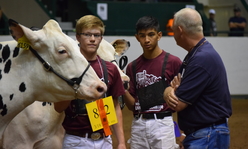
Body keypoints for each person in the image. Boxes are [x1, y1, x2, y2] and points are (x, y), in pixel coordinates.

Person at [54, 15, 126, 149]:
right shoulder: (68, 69)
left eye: (97, 35)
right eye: (87, 34)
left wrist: (121, 142)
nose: (92, 39)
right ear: (78, 37)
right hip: (76, 140)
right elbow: (58, 108)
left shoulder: (110, 69)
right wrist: (74, 87)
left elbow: (115, 106)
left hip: (105, 139)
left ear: (101, 39)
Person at [163, 8, 232, 149]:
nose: (173, 33)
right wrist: (171, 89)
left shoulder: (200, 59)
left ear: (180, 30)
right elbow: (175, 89)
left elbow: (177, 104)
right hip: (206, 133)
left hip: (207, 135)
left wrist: (167, 92)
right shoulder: (199, 54)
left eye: (173, 29)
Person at [123, 16, 182, 149]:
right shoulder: (132, 67)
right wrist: (123, 88)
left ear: (159, 35)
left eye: (151, 35)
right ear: (137, 37)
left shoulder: (173, 62)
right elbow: (132, 106)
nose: (147, 40)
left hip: (163, 123)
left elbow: (183, 100)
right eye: (142, 36)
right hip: (138, 124)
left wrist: (180, 133)